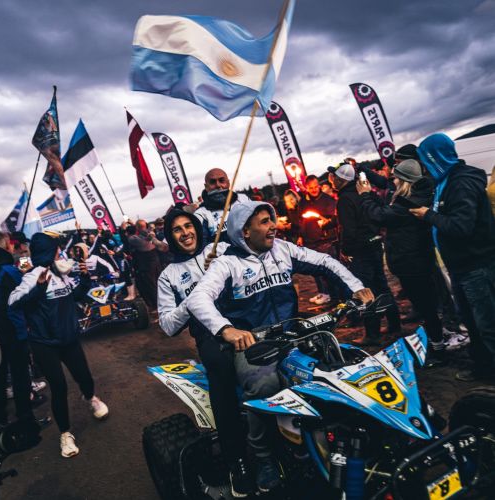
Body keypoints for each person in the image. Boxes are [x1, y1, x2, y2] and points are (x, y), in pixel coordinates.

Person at [187, 200, 373, 494]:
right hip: (254, 343)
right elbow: (197, 299)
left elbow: (326, 261)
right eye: (264, 221)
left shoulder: (283, 249)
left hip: (294, 332)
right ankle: (264, 458)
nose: (273, 225)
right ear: (245, 231)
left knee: (341, 364)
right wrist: (227, 330)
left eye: (272, 219)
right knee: (265, 386)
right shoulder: (227, 263)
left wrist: (356, 287)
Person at [156, 210, 254, 495]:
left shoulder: (221, 249)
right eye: (177, 229)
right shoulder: (168, 276)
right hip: (210, 337)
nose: (185, 232)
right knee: (221, 370)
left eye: (189, 226)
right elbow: (167, 325)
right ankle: (237, 461)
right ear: (170, 236)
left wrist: (223, 267)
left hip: (246, 319)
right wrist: (195, 296)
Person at [8, 232, 109, 458]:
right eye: (56, 249)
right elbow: (13, 302)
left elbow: (75, 296)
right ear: (50, 251)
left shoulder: (60, 272)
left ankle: (91, 398)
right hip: (44, 344)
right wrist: (38, 288)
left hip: (69, 339)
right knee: (59, 387)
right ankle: (65, 434)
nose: (59, 252)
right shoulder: (32, 276)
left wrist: (85, 278)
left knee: (85, 377)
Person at [410, 133, 495, 382]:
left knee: (487, 324)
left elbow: (461, 226)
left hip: (476, 266)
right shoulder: (445, 181)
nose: (424, 167)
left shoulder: (462, 183)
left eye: (425, 161)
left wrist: (428, 215)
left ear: (435, 158)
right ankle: (483, 368)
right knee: (472, 322)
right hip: (460, 266)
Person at [356, 160, 447, 366]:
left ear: (406, 181)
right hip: (415, 261)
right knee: (426, 307)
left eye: (396, 178)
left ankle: (438, 351)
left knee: (426, 308)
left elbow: (378, 216)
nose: (393, 181)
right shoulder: (416, 195)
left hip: (412, 263)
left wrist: (365, 195)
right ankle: (435, 344)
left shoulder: (408, 203)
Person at [329, 163, 401, 345]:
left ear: (341, 179)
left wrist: (345, 251)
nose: (332, 180)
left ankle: (372, 334)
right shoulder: (363, 192)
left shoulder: (345, 199)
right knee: (382, 286)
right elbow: (380, 210)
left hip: (360, 251)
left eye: (334, 177)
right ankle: (394, 324)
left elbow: (349, 230)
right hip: (374, 244)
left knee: (365, 291)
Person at [0, 231, 36, 428]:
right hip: (12, 330)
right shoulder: (8, 269)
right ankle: (26, 419)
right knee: (21, 375)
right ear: (5, 245)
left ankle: (0, 421)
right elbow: (26, 291)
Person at [299, 175, 339, 305]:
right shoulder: (303, 201)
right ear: (306, 188)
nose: (314, 189)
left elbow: (333, 219)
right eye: (311, 188)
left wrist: (326, 221)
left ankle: (336, 296)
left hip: (326, 240)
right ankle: (324, 293)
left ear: (319, 186)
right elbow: (301, 220)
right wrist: (300, 236)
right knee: (316, 269)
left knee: (330, 269)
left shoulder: (327, 199)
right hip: (310, 241)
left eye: (316, 186)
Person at [194, 168, 249, 245]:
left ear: (228, 183)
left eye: (222, 181)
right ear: (206, 187)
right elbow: (203, 246)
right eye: (212, 182)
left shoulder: (243, 199)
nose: (218, 185)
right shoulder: (201, 214)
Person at [127, 220, 164, 312]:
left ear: (137, 228)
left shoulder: (135, 239)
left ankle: (156, 306)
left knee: (151, 286)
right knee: (159, 284)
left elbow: (136, 240)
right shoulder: (151, 235)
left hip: (146, 266)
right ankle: (163, 304)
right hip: (156, 263)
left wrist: (135, 226)